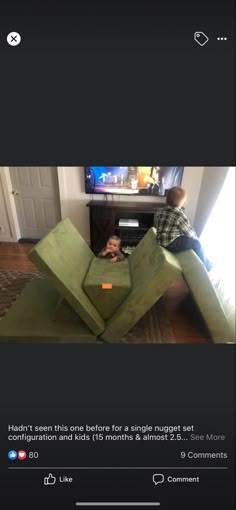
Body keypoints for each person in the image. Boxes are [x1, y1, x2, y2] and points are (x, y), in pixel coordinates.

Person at [156, 186, 212, 271]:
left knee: (183, 237)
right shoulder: (179, 214)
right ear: (182, 202)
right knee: (196, 245)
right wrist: (196, 239)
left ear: (166, 199)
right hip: (171, 244)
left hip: (160, 241)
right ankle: (207, 266)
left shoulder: (161, 211)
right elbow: (189, 232)